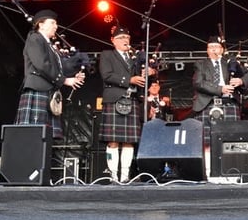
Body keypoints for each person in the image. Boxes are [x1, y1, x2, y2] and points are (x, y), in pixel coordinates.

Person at [15, 9, 85, 139]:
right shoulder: (35, 38)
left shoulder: (50, 46)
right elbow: (42, 65)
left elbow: (56, 68)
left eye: (56, 23)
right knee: (34, 134)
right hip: (38, 89)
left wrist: (72, 77)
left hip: (48, 91)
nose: (56, 26)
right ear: (41, 24)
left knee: (45, 137)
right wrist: (64, 80)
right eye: (52, 23)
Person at [98, 25, 156, 183]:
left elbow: (141, 81)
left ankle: (124, 177)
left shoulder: (134, 58)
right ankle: (113, 176)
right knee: (113, 141)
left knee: (129, 142)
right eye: (121, 38)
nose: (125, 40)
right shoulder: (107, 55)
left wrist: (148, 74)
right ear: (113, 40)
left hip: (131, 100)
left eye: (127, 38)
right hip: (114, 99)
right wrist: (129, 80)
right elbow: (106, 75)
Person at [192, 36, 248, 148]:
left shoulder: (230, 63)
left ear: (221, 50)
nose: (213, 49)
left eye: (216, 46)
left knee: (231, 140)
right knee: (206, 143)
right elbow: (198, 83)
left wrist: (241, 81)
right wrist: (220, 89)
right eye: (210, 47)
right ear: (207, 50)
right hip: (207, 104)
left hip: (229, 103)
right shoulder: (200, 64)